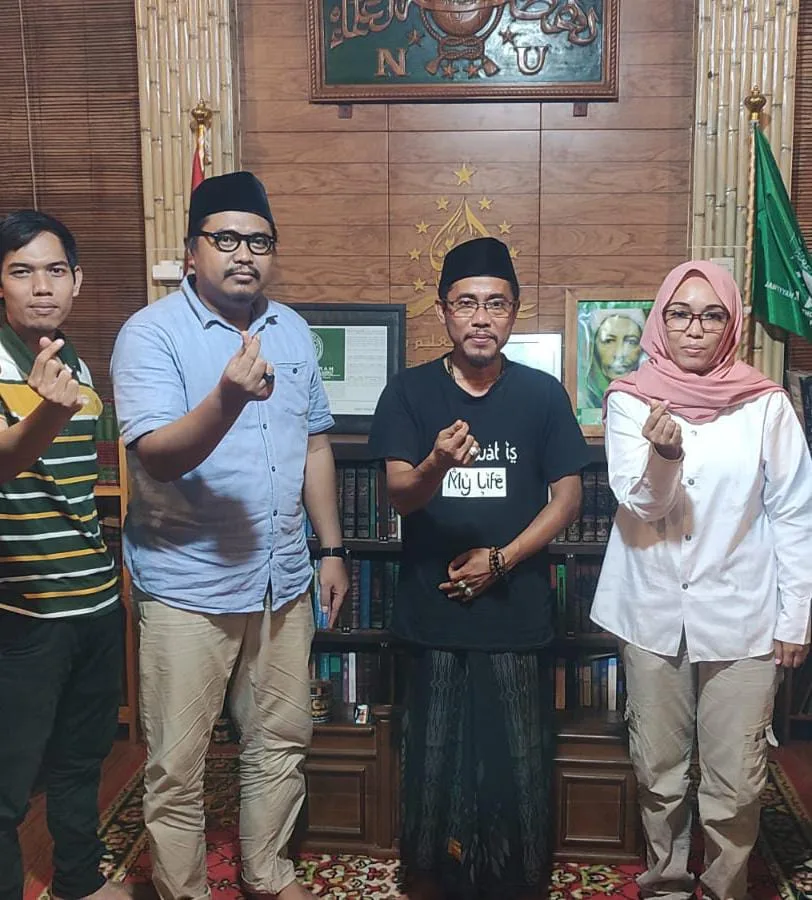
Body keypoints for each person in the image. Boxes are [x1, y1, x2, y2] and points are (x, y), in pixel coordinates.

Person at [110, 171, 349, 900]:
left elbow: (314, 443)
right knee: (178, 764)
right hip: (188, 585)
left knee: (280, 740)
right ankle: (185, 890)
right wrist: (227, 397)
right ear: (192, 251)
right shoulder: (151, 334)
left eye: (260, 241)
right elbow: (157, 455)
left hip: (283, 579)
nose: (245, 254)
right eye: (227, 239)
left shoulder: (293, 330)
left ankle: (267, 873)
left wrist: (332, 548)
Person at [368, 236, 589, 900]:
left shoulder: (542, 395)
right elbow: (399, 495)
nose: (481, 318)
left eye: (496, 304)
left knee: (516, 758)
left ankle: (518, 882)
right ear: (443, 311)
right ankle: (429, 878)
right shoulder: (409, 392)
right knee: (431, 755)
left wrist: (501, 560)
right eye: (467, 303)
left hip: (514, 613)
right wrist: (437, 463)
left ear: (514, 312)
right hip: (432, 612)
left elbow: (568, 499)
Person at [591, 260, 812, 900]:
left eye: (712, 315)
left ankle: (723, 887)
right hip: (650, 608)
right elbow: (644, 504)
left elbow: (795, 512)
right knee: (658, 768)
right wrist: (665, 456)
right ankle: (665, 881)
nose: (695, 328)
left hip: (744, 612)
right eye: (680, 314)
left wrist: (796, 616)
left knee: (736, 778)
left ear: (731, 324)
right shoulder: (630, 399)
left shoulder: (765, 404)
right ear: (660, 320)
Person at [0, 211, 125, 900]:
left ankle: (79, 880)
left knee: (82, 758)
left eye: (55, 271)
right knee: (9, 783)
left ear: (77, 280)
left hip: (96, 604)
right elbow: (4, 463)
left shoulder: (76, 363)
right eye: (22, 271)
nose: (41, 286)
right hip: (23, 612)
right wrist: (49, 410)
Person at [582, 311, 645, 410]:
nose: (619, 354)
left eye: (631, 342)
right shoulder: (582, 399)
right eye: (609, 341)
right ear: (593, 347)